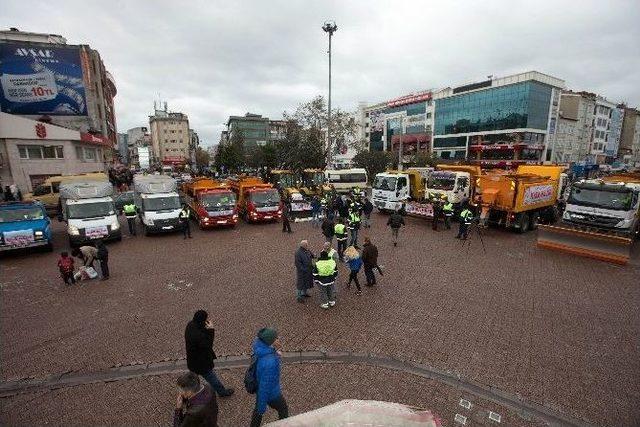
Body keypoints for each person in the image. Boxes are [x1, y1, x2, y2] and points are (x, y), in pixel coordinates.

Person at [185, 310, 234, 398]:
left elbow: (200, 333)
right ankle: (222, 392)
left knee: (192, 379)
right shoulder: (198, 336)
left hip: (192, 360)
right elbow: (208, 345)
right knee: (212, 378)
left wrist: (205, 327)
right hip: (202, 363)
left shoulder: (190, 325)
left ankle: (187, 394)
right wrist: (211, 330)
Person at [250, 328, 288, 427]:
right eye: (276, 338)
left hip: (261, 387)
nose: (279, 339)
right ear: (271, 342)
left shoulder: (260, 347)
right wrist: (261, 409)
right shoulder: (270, 363)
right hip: (272, 394)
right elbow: (265, 387)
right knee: (283, 409)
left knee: (257, 411)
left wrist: (274, 353)